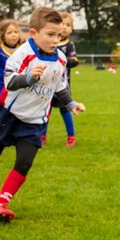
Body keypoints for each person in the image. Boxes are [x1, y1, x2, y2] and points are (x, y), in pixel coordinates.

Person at [0, 7, 86, 224]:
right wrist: (29, 78)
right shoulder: (21, 54)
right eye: (50, 34)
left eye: (58, 35)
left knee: (24, 162)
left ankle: (0, 205)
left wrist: (71, 103)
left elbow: (60, 86)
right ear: (33, 33)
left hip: (35, 121)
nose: (55, 40)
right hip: (9, 115)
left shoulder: (60, 59)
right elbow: (10, 82)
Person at [46, 11, 80, 148]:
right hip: (47, 85)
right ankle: (41, 136)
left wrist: (62, 61)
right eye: (62, 24)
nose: (65, 27)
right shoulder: (49, 43)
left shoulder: (69, 45)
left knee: (65, 111)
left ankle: (71, 137)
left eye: (68, 25)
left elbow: (75, 60)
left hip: (63, 87)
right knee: (45, 112)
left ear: (71, 29)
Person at [0, 19, 24, 98]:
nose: (13, 35)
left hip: (17, 86)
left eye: (16, 32)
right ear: (3, 36)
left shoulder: (23, 50)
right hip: (1, 87)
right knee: (4, 105)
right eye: (9, 33)